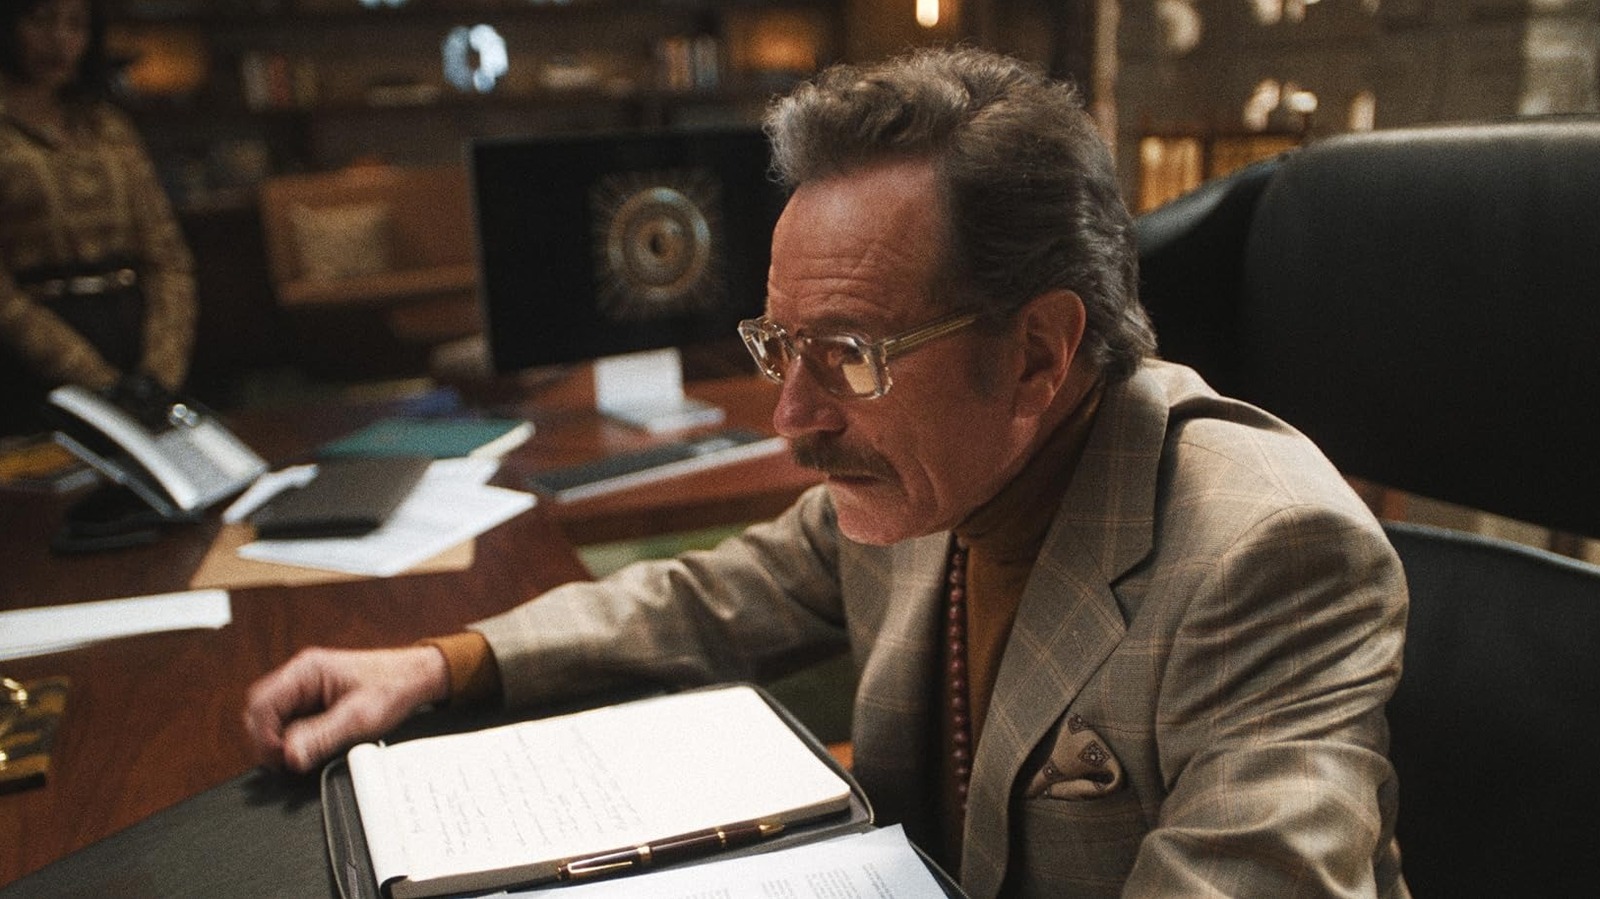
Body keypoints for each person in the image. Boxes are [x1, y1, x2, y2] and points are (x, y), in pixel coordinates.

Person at [244, 47, 1409, 898]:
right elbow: (711, 594)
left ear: (1037, 354)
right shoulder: (939, 471)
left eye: (848, 353)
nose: (793, 419)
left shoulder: (1268, 554)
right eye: (778, 346)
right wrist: (438, 662)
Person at [0, 0, 197, 435]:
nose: (59, 40)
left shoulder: (107, 125)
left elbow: (166, 254)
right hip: (35, 356)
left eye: (75, 25)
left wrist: (160, 372)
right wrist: (95, 379)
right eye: (41, 20)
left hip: (135, 339)